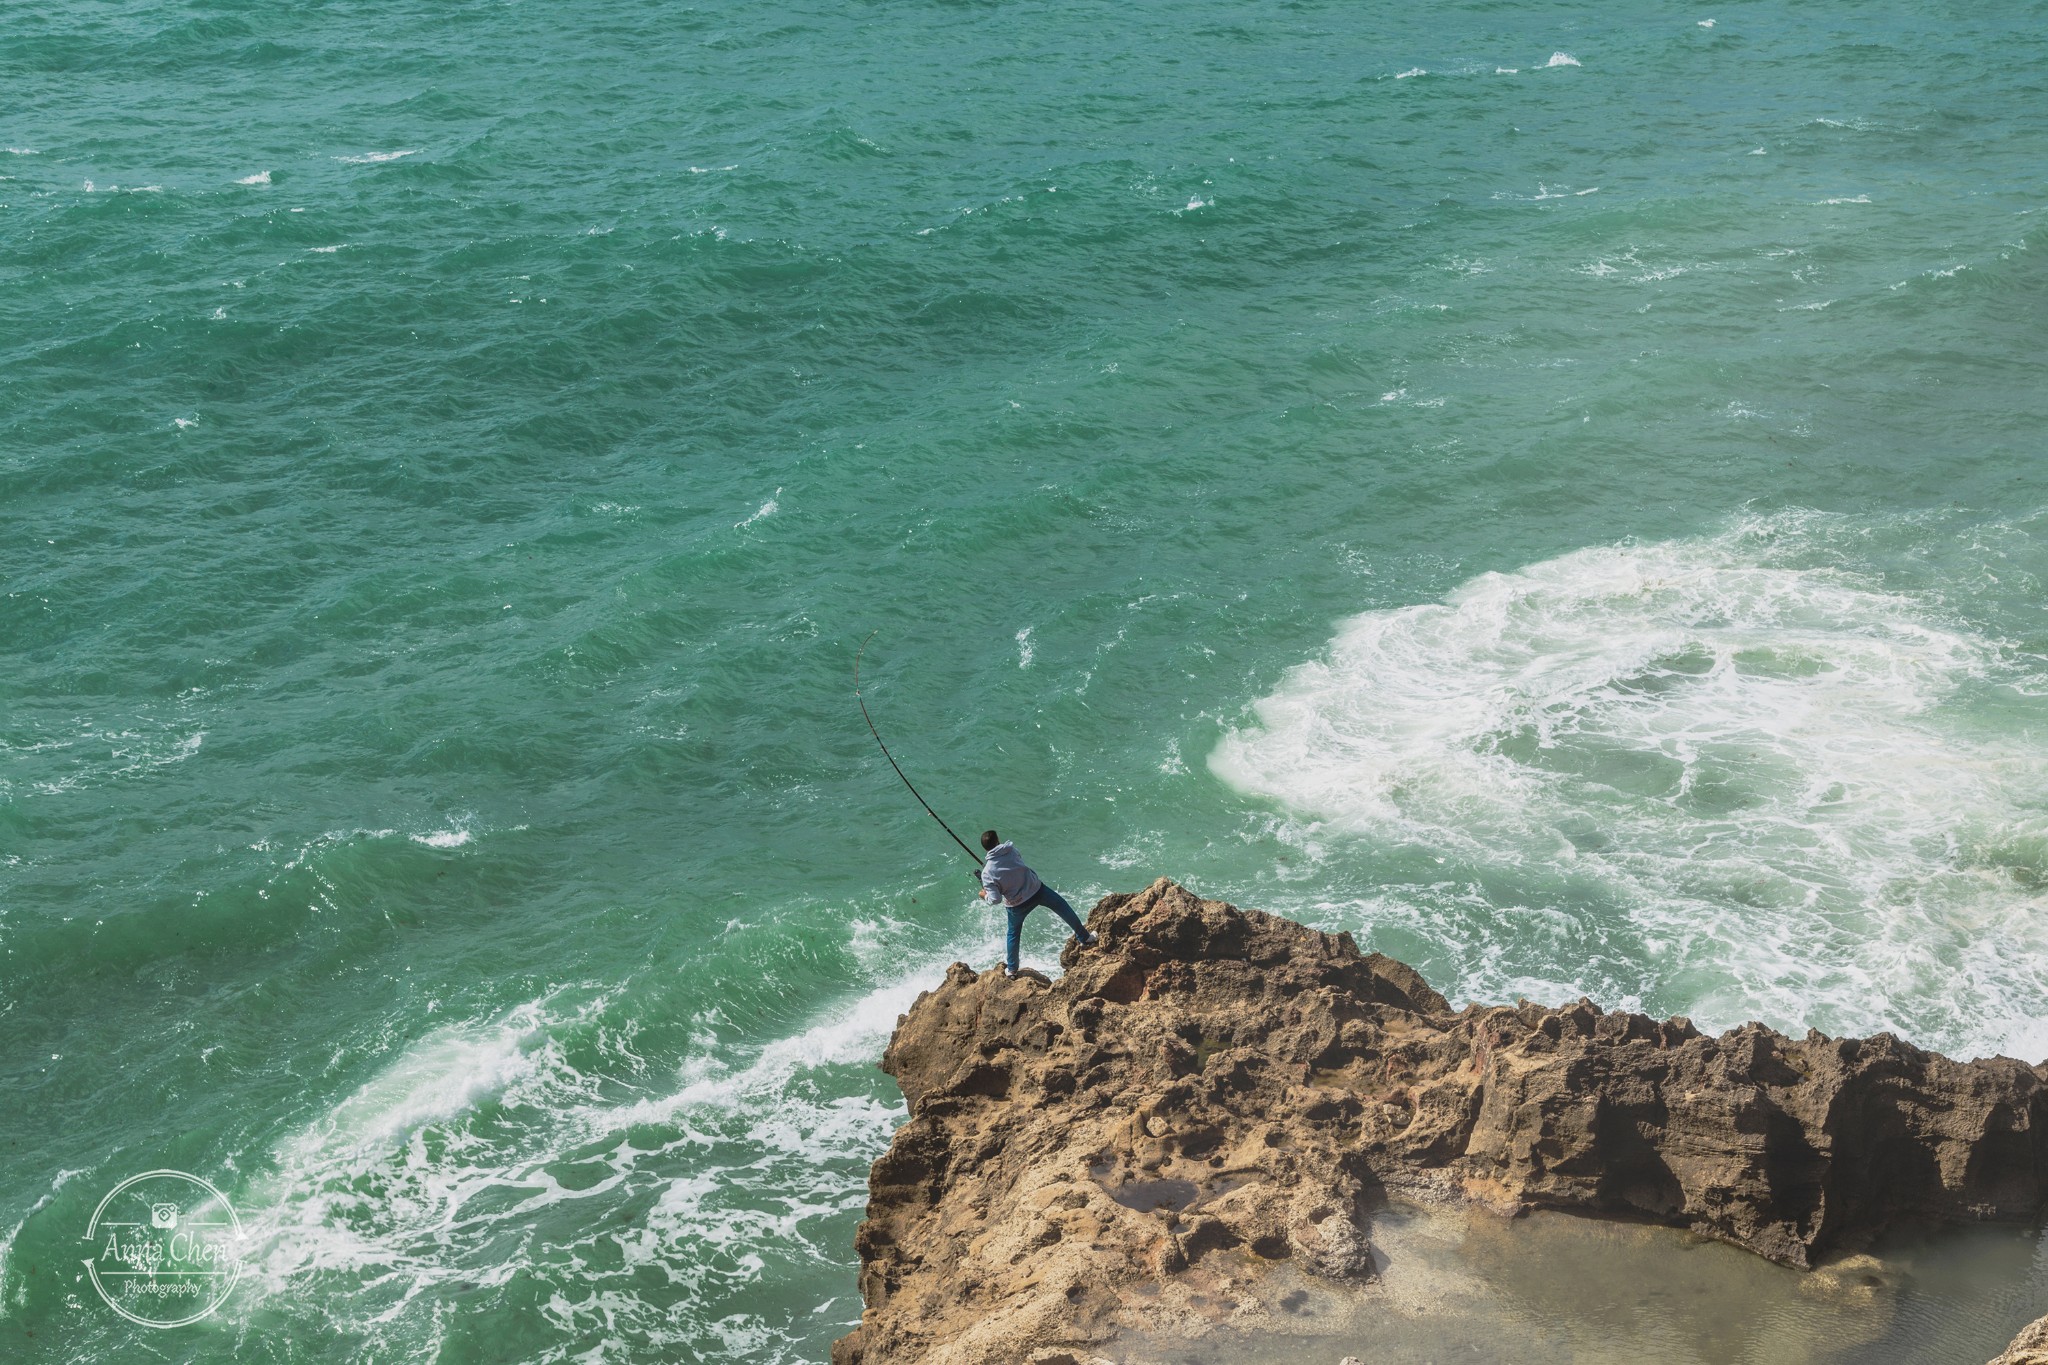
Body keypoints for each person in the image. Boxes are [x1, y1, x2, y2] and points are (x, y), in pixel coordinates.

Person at [978, 829, 1096, 977]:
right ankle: (1085, 938)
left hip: (1017, 904)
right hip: (1036, 890)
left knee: (1013, 934)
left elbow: (995, 899)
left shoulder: (987, 873)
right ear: (997, 840)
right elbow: (1016, 866)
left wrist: (984, 894)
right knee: (1062, 906)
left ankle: (1012, 970)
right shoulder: (1012, 850)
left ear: (985, 848)